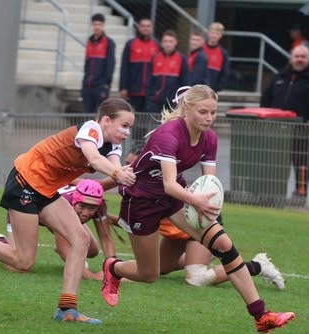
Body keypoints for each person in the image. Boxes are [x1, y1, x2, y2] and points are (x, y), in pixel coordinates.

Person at [100, 85, 295, 333]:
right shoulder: (168, 134)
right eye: (203, 112)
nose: (209, 118)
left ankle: (262, 316)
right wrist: (197, 200)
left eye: (213, 112)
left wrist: (208, 204)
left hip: (176, 200)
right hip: (141, 202)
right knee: (150, 274)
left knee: (224, 245)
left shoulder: (209, 138)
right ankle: (113, 268)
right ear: (187, 108)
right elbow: (169, 184)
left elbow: (209, 183)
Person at [0, 97, 136, 324]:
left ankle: (67, 309)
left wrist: (127, 176)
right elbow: (94, 158)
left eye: (130, 127)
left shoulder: (113, 145)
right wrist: (120, 175)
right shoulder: (91, 129)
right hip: (25, 182)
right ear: (107, 121)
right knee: (23, 262)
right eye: (124, 126)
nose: (128, 132)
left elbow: (114, 169)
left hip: (47, 190)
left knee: (80, 238)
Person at [0, 179, 117, 281]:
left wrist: (112, 272)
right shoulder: (65, 205)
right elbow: (64, 250)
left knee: (91, 250)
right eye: (82, 207)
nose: (86, 213)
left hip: (50, 215)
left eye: (91, 208)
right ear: (75, 200)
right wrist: (90, 275)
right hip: (25, 210)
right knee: (19, 266)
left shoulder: (98, 203)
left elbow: (106, 239)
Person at [260, 45, 309, 201]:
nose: (299, 60)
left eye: (303, 57)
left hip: (302, 129)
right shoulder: (279, 77)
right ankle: (273, 192)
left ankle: (301, 192)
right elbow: (266, 97)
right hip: (277, 128)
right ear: (291, 58)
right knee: (275, 161)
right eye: (297, 56)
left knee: (301, 161)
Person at [119, 18, 160, 145]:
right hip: (134, 90)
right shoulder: (131, 44)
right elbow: (124, 67)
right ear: (139, 28)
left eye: (148, 26)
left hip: (150, 92)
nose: (145, 28)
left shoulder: (157, 45)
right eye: (143, 26)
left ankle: (147, 146)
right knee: (135, 120)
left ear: (152, 28)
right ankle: (136, 145)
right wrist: (123, 87)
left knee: (150, 120)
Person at [145, 30, 191, 115]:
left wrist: (179, 101)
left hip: (173, 103)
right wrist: (150, 99)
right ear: (162, 43)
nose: (168, 44)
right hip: (155, 102)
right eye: (165, 41)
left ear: (175, 42)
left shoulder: (182, 59)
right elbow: (149, 81)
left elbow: (185, 84)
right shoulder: (155, 58)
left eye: (171, 41)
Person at [81, 13, 116, 115]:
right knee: (87, 116)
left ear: (103, 25)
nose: (97, 27)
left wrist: (106, 84)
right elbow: (87, 64)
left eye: (99, 24)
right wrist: (84, 83)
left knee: (101, 115)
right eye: (95, 24)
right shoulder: (90, 41)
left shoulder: (109, 42)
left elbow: (110, 65)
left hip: (100, 86)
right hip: (88, 86)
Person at [202, 22, 230, 92]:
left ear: (220, 36)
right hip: (196, 91)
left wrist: (217, 88)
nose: (214, 36)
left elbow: (225, 73)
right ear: (208, 33)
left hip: (212, 91)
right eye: (212, 33)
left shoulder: (223, 53)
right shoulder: (199, 49)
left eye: (217, 33)